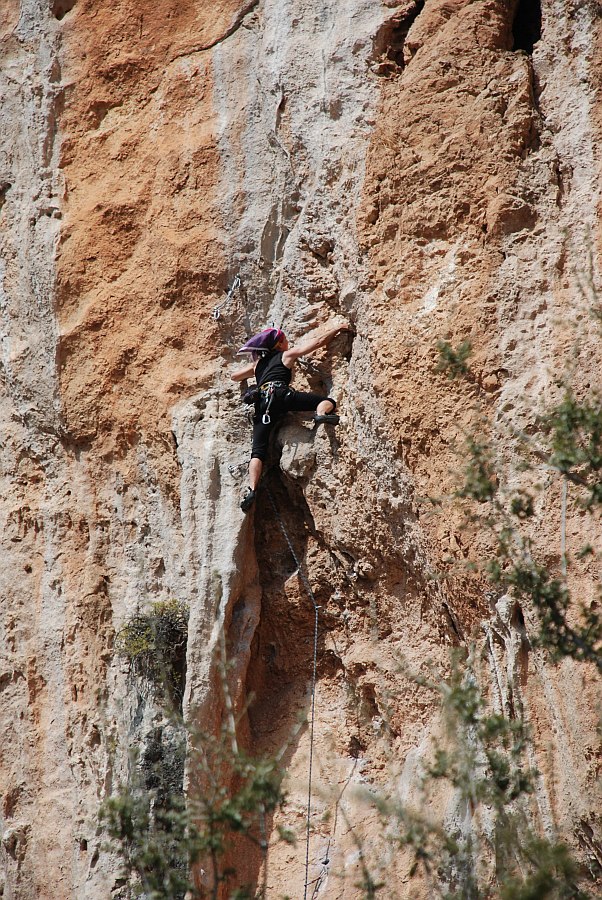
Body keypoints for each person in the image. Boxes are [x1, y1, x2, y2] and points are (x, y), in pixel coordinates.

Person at [231, 321, 352, 511]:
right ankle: (321, 415)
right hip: (282, 395)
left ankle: (252, 489)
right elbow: (318, 342)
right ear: (279, 344)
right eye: (285, 339)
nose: (287, 342)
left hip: (263, 405)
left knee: (258, 452)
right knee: (326, 401)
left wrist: (254, 370)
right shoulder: (286, 355)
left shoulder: (258, 365)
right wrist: (337, 328)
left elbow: (235, 376)